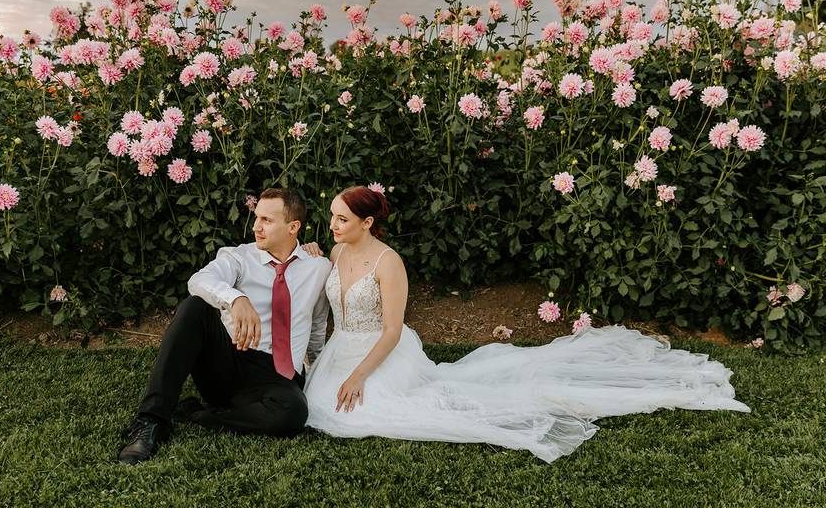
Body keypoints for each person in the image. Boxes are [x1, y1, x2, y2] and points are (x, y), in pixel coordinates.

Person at [301, 186, 750, 463]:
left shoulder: (389, 262)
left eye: (343, 218)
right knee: (320, 407)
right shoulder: (336, 252)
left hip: (380, 353)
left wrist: (361, 374)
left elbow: (393, 331)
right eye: (333, 217)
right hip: (340, 351)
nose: (334, 224)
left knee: (366, 412)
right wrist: (319, 255)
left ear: (367, 221)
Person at [118, 187, 332, 465]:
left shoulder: (318, 268)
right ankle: (151, 421)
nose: (256, 226)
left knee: (293, 414)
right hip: (229, 361)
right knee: (196, 306)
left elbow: (316, 327)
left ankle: (198, 415)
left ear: (294, 227)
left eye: (267, 220)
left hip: (278, 377)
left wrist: (318, 377)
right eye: (257, 218)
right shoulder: (239, 257)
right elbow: (199, 280)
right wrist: (236, 299)